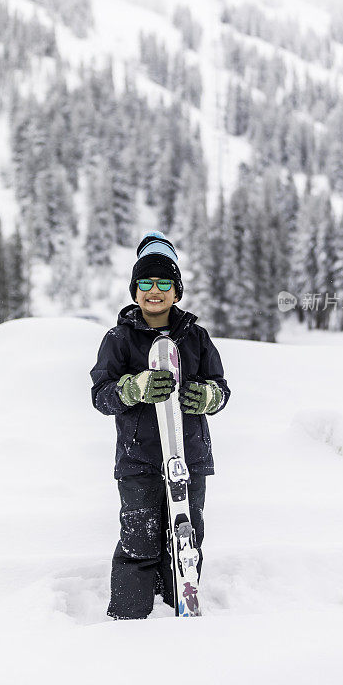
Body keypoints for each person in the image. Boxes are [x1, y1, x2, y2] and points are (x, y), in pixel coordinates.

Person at [90, 231, 231, 620]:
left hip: (190, 459)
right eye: (146, 283)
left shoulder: (197, 338)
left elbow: (221, 388)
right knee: (139, 540)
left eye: (164, 283)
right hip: (139, 462)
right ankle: (129, 616)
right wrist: (131, 388)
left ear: (177, 290)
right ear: (135, 290)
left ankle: (178, 608)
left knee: (186, 539)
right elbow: (100, 395)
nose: (155, 291)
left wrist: (208, 396)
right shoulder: (118, 339)